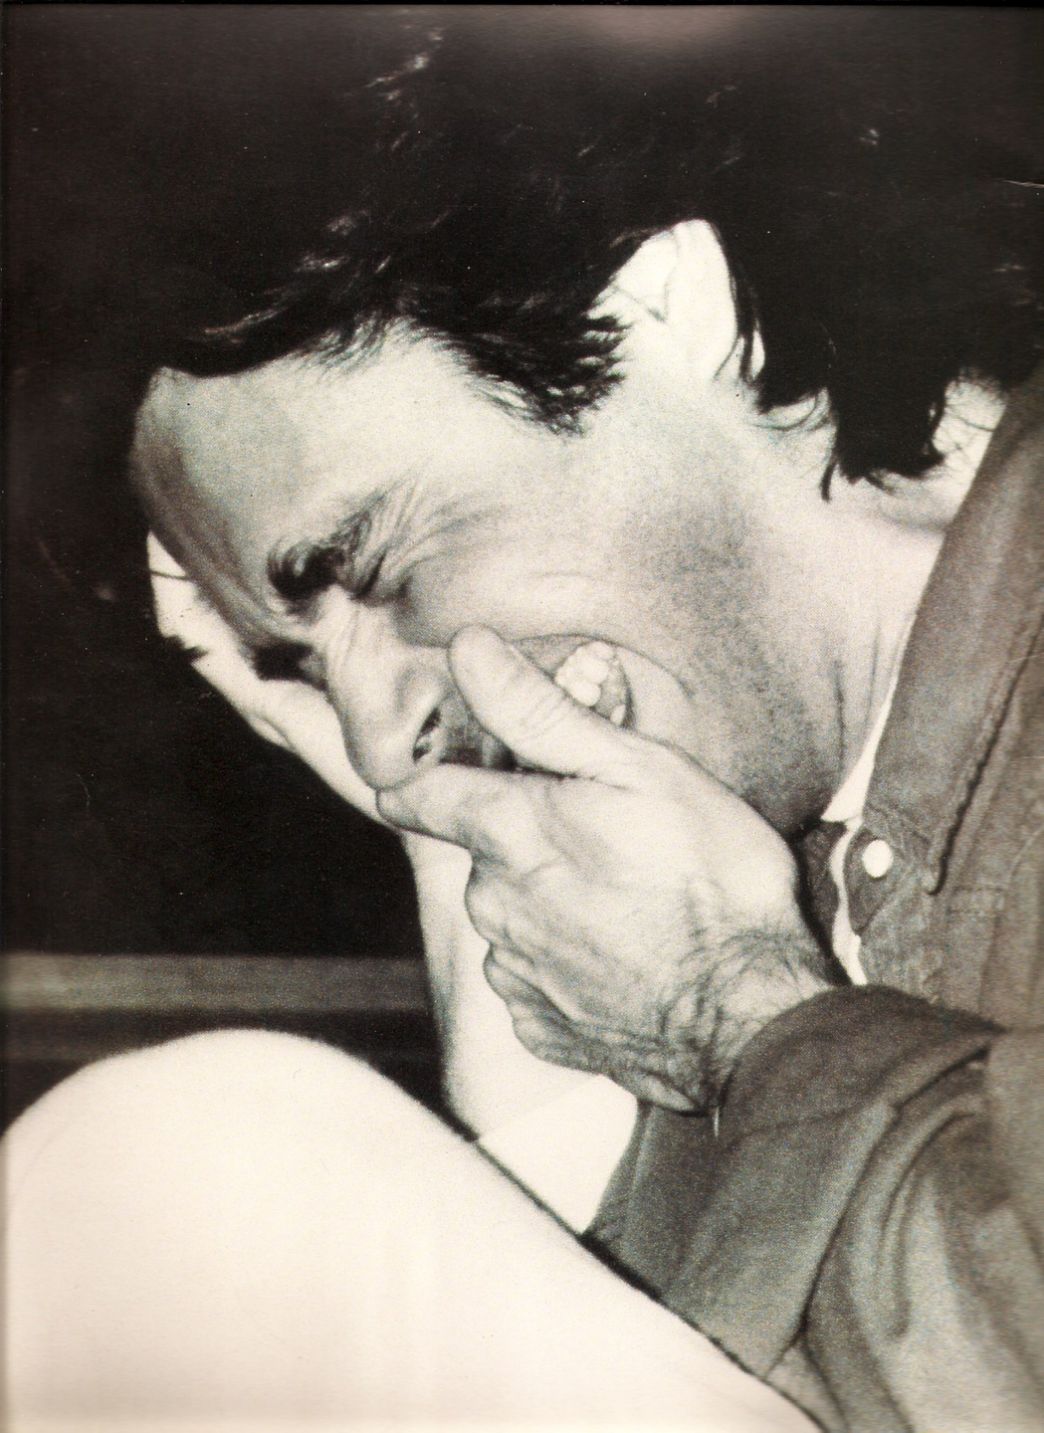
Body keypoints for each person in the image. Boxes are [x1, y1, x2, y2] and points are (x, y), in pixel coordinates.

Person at [5, 11, 1042, 1430]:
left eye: (378, 567)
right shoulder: (754, 830)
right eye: (304, 669)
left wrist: (733, 1010)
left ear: (670, 314)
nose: (379, 747)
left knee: (183, 1176)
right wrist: (483, 916)